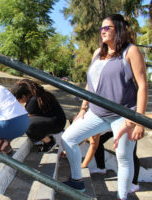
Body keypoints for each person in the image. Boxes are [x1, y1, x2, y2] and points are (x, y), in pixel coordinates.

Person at [61, 14, 147, 200]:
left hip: (123, 114)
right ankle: (77, 180)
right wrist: (83, 109)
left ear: (119, 29)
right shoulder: (97, 53)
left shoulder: (130, 51)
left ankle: (122, 196)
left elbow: (142, 85)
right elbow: (90, 86)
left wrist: (138, 120)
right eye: (101, 28)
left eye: (107, 27)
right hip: (97, 113)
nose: (103, 31)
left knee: (123, 156)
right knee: (68, 138)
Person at [10, 79, 66, 152]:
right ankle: (45, 138)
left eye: (17, 100)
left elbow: (23, 119)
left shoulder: (33, 100)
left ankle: (49, 142)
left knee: (26, 124)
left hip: (57, 125)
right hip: (58, 122)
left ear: (23, 96)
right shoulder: (37, 95)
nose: (17, 102)